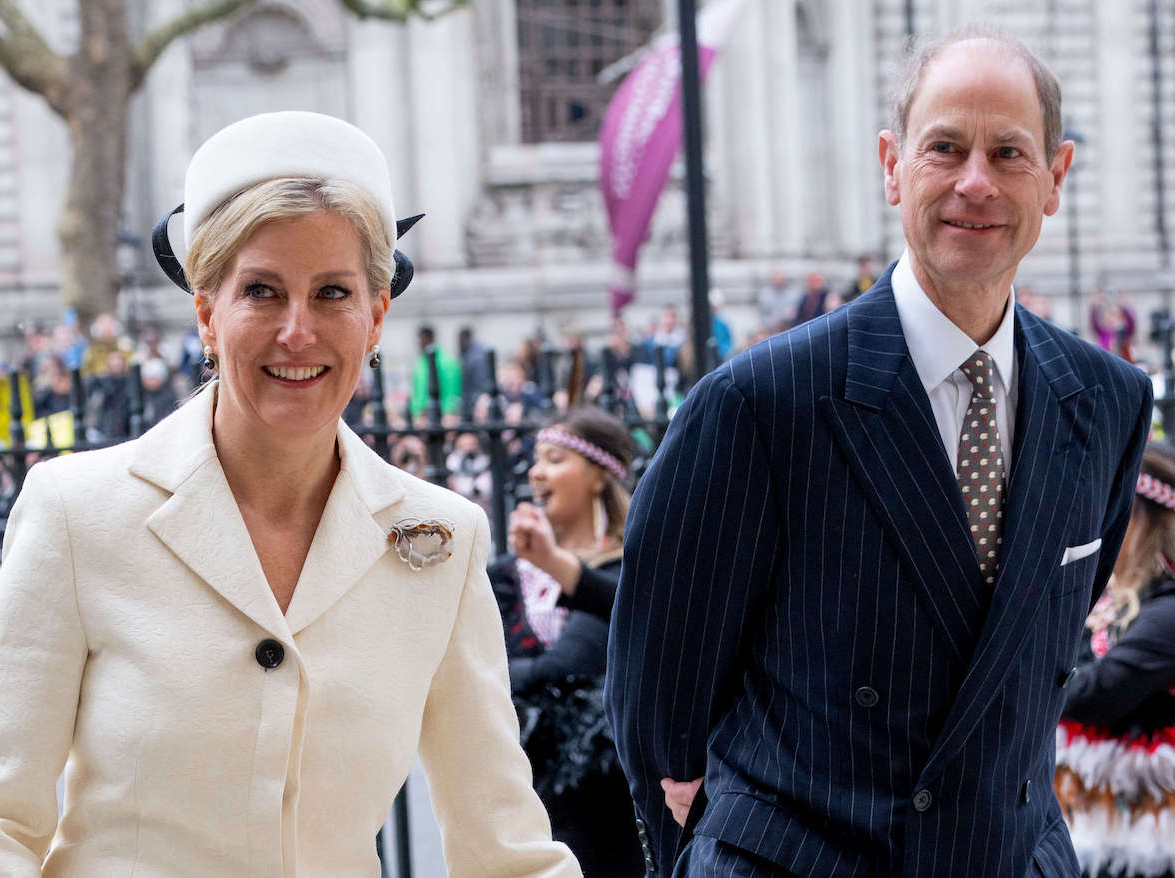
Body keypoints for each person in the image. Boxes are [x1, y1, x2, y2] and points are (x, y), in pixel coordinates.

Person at [606, 27, 1152, 878]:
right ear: (893, 164)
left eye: (1009, 153)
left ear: (1056, 178)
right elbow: (656, 714)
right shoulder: (758, 403)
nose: (977, 181)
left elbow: (1037, 653)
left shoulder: (1113, 401)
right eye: (947, 147)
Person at [0, 111, 580, 877]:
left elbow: (507, 850)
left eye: (332, 293)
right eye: (261, 292)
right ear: (205, 313)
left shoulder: (442, 537)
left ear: (376, 318)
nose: (298, 332)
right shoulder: (75, 512)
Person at [491, 406, 642, 878]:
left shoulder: (628, 565)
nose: (537, 471)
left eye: (555, 459)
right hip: (519, 788)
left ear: (599, 476)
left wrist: (558, 565)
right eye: (536, 458)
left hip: (604, 800)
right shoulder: (505, 574)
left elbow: (568, 664)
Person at [1055, 442, 1175, 878]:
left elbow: (1097, 694)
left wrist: (1021, 670)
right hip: (1090, 816)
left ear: (1142, 520)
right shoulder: (1112, 598)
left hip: (1150, 834)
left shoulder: (1167, 611)